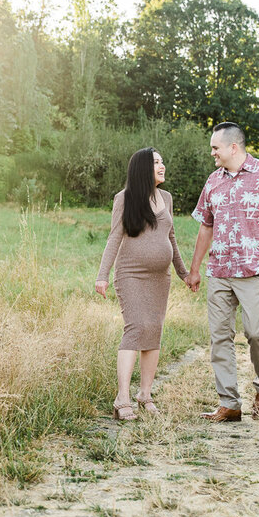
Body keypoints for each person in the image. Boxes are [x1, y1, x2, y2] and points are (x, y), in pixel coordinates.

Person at [184, 122, 259, 422]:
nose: (212, 153)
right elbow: (205, 226)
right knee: (219, 337)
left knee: (257, 334)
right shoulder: (213, 181)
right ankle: (229, 403)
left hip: (255, 270)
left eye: (215, 148)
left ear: (233, 147)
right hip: (219, 270)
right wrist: (195, 269)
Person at [96, 147, 189, 420]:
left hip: (161, 278)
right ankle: (122, 397)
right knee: (136, 328)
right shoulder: (124, 198)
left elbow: (171, 238)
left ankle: (145, 394)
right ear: (141, 169)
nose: (162, 166)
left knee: (153, 332)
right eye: (156, 162)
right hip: (131, 274)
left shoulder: (167, 198)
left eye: (162, 161)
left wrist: (184, 273)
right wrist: (102, 275)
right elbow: (114, 237)